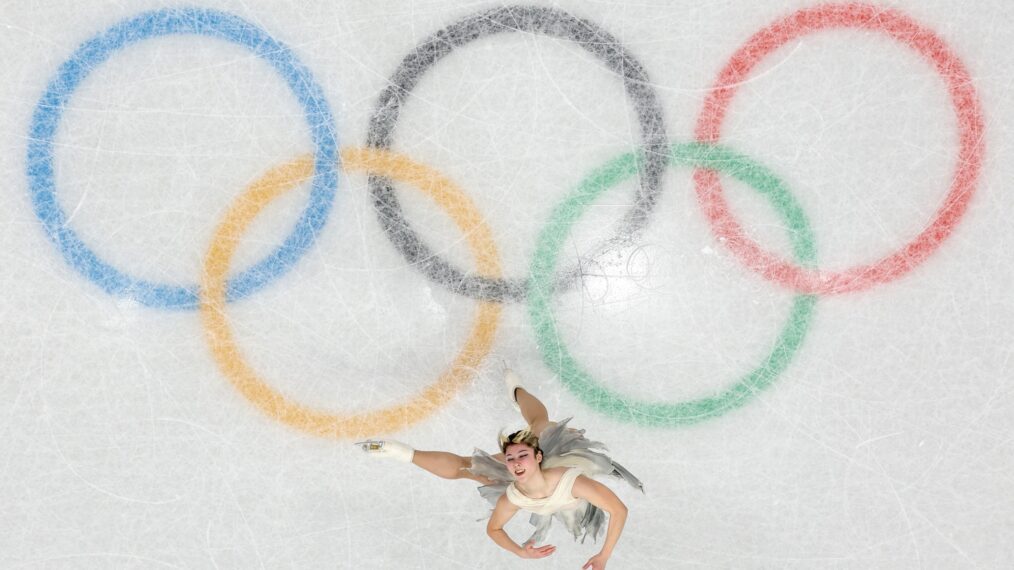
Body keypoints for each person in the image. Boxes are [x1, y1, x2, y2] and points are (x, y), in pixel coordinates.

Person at [357, 364, 642, 569]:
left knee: (541, 425)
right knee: (465, 469)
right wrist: (519, 550)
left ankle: (517, 392)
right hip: (545, 489)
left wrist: (602, 555)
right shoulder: (512, 495)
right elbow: (494, 529)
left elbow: (618, 510)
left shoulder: (572, 481)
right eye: (511, 459)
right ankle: (398, 451)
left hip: (560, 457)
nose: (516, 463)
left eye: (523, 456)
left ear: (537, 456)